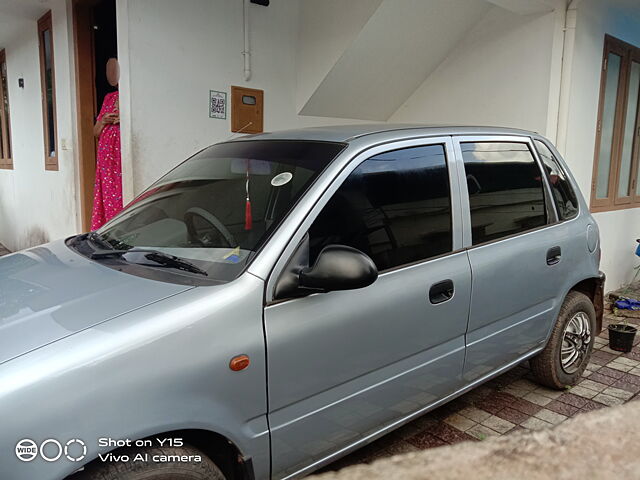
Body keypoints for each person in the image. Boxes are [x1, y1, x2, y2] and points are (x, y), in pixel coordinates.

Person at [91, 57, 122, 230]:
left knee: (122, 196)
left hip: (122, 159)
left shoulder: (134, 97)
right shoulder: (109, 98)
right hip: (106, 160)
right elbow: (95, 133)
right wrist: (103, 121)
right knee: (108, 197)